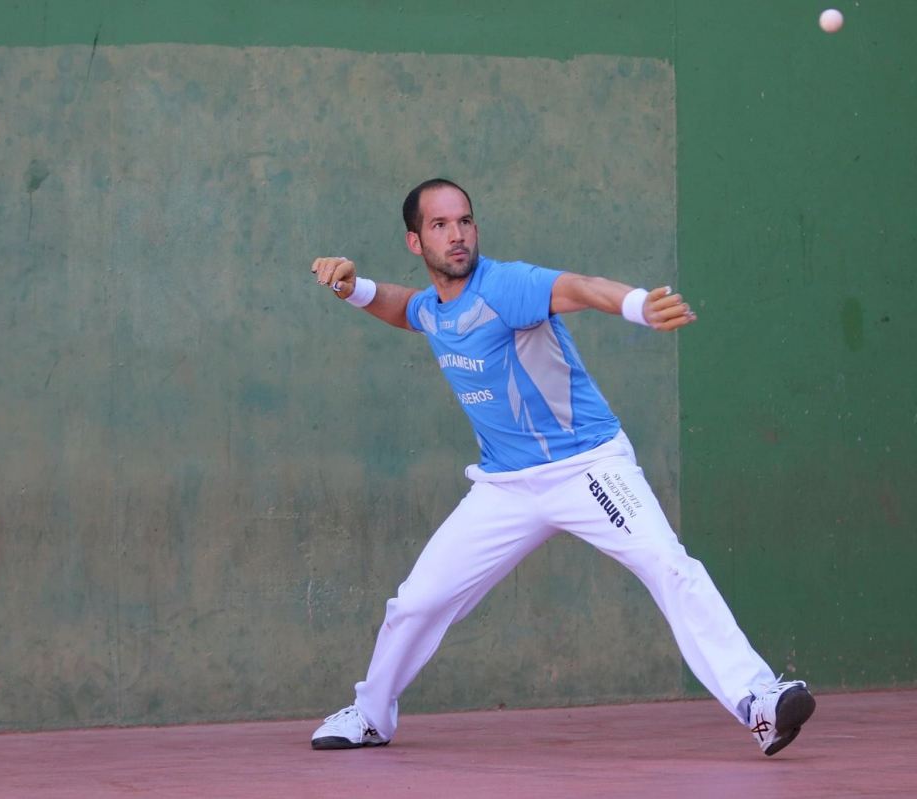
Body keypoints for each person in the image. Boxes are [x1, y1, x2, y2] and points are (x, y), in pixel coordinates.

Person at [308, 178, 815, 756]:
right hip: (504, 486)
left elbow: (579, 287)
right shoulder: (436, 309)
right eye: (440, 225)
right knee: (417, 602)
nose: (457, 235)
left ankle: (758, 700)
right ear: (414, 241)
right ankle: (371, 715)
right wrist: (352, 288)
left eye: (465, 221)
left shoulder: (507, 285)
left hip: (586, 467)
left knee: (667, 564)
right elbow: (406, 309)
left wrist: (637, 306)